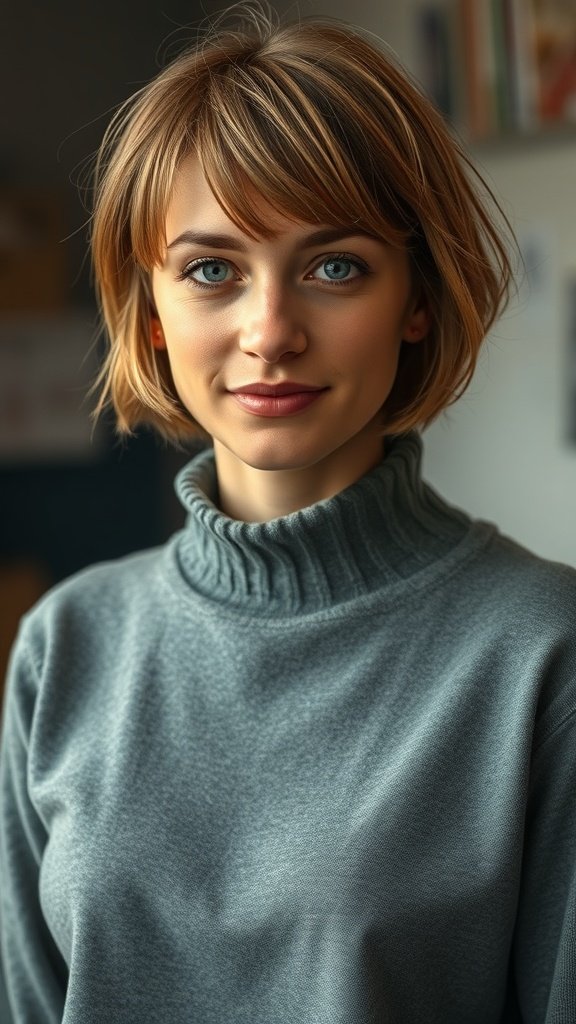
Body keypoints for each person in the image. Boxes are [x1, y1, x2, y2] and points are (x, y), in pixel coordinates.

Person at [1, 5, 575, 1021]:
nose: (269, 332)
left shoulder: (543, 655)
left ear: (417, 299)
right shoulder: (64, 647)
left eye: (334, 267)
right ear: (151, 308)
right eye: (211, 270)